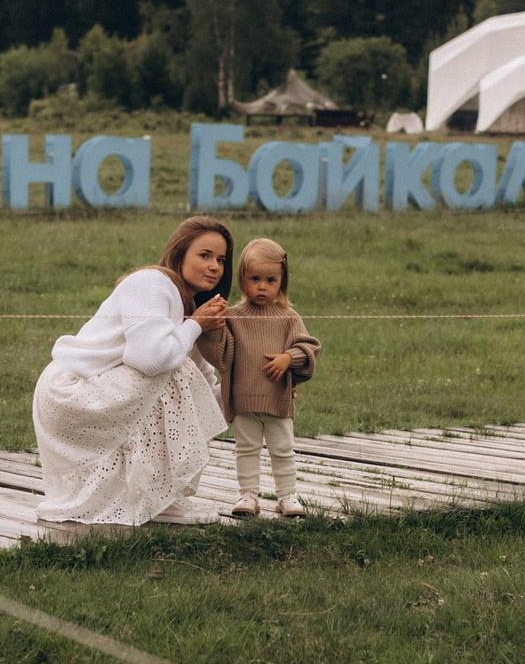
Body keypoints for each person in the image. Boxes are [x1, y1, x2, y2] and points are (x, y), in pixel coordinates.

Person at [34, 217, 234, 527]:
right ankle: (161, 500)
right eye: (204, 255)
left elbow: (202, 388)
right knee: (173, 370)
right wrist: (195, 324)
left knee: (179, 371)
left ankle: (158, 498)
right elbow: (151, 359)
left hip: (106, 389)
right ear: (179, 253)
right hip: (70, 390)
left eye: (221, 260)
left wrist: (246, 393)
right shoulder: (151, 283)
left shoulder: (191, 304)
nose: (215, 267)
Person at [211, 238, 319, 517]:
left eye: (270, 280)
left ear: (281, 283)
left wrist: (288, 358)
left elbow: (309, 347)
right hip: (243, 400)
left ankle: (287, 496)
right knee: (245, 449)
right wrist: (213, 326)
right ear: (242, 280)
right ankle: (248, 496)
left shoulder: (287, 318)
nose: (262, 286)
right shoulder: (234, 318)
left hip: (277, 399)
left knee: (283, 450)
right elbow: (220, 353)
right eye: (254, 278)